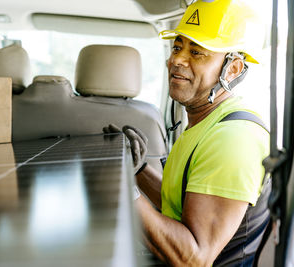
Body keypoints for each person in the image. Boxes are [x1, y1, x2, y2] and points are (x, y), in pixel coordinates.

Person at [104, 0, 270, 266]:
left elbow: (194, 259)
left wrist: (123, 191)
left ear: (233, 69)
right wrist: (138, 172)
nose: (176, 60)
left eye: (197, 52)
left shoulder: (233, 139)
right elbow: (183, 205)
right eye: (178, 47)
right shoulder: (203, 122)